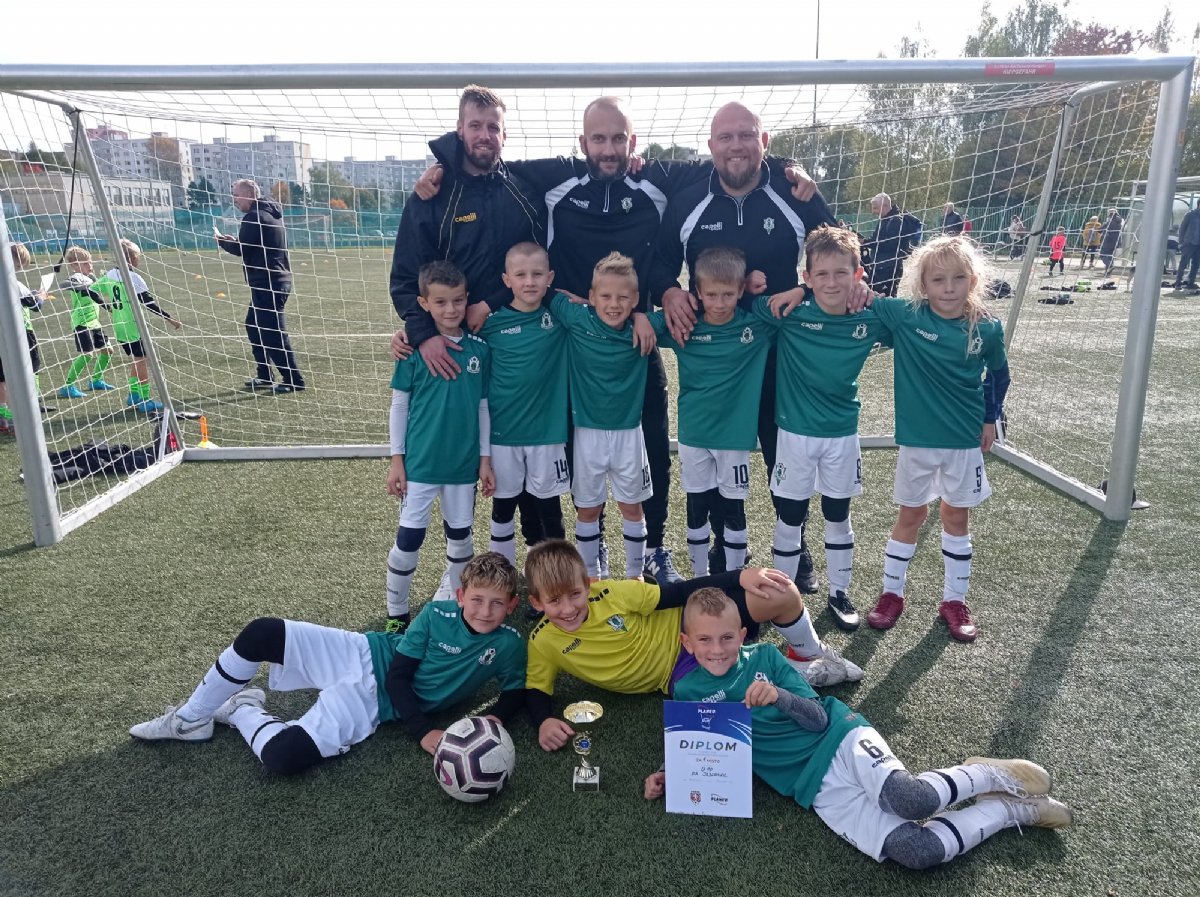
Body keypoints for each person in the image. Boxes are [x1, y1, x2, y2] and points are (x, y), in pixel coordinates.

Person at [412, 95, 819, 585]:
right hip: (573, 346)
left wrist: (786, 165)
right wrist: (441, 165)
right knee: (576, 452)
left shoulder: (659, 180)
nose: (609, 149)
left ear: (633, 142)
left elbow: (731, 156)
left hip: (638, 337)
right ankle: (587, 551)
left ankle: (654, 549)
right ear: (583, 143)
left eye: (618, 139)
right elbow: (488, 159)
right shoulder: (555, 180)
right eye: (599, 139)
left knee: (649, 445)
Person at [644, 588, 1072, 870]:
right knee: (918, 853)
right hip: (812, 788)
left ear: (742, 634)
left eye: (726, 638)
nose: (716, 650)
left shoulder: (767, 661)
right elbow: (697, 741)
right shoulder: (688, 688)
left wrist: (778, 696)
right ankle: (1012, 810)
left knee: (911, 797)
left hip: (838, 740)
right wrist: (671, 771)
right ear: (687, 643)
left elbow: (819, 719)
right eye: (704, 641)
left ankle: (989, 774)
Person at [650, 101, 837, 582]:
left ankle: (795, 548)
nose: (736, 146)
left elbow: (836, 247)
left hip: (779, 348)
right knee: (715, 453)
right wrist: (670, 290)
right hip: (717, 356)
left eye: (746, 135)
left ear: (764, 142)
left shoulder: (794, 194)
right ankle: (719, 549)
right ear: (711, 146)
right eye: (726, 137)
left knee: (783, 449)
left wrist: (803, 286)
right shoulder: (689, 201)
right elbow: (657, 263)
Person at [128, 553, 526, 774]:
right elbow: (399, 675)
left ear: (512, 606)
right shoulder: (436, 615)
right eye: (477, 599)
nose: (485, 611)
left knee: (283, 758)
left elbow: (515, 689)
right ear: (460, 597)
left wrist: (496, 718)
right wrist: (421, 731)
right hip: (367, 653)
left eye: (497, 603)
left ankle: (241, 709)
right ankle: (191, 719)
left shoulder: (509, 645)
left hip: (373, 705)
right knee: (263, 632)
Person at [389, 84, 546, 553]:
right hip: (454, 350)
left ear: (505, 133)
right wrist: (422, 336)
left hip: (516, 344)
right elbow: (405, 277)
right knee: (465, 454)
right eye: (475, 125)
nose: (484, 135)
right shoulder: (432, 195)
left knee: (518, 454)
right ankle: (459, 569)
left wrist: (489, 304)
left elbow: (535, 261)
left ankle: (536, 564)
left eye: (492, 127)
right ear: (460, 129)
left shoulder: (522, 193)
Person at [525, 539, 864, 752]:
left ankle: (807, 657)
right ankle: (788, 672)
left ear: (588, 584)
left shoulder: (613, 594)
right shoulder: (543, 642)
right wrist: (543, 721)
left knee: (781, 590)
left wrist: (738, 577)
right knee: (734, 709)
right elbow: (536, 688)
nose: (568, 608)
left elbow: (677, 593)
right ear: (537, 602)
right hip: (679, 673)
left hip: (694, 631)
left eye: (575, 594)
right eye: (555, 601)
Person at [864, 236, 1011, 642]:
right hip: (919, 442)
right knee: (911, 515)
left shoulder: (987, 327)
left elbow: (999, 376)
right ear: (923, 285)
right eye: (938, 279)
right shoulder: (906, 315)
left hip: (964, 440)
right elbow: (863, 297)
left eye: (958, 278)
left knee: (956, 517)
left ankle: (954, 600)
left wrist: (989, 419)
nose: (949, 287)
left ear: (973, 279)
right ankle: (892, 594)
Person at [758, 226, 891, 633]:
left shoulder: (871, 317)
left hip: (841, 434)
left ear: (858, 273)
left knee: (838, 513)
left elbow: (914, 318)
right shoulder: (790, 312)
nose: (831, 282)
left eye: (841, 273)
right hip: (794, 435)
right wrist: (797, 293)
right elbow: (740, 306)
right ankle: (781, 599)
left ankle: (839, 591)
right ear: (807, 277)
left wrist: (875, 296)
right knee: (790, 514)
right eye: (822, 274)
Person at [649, 247, 779, 576]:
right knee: (697, 506)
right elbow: (639, 323)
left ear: (741, 291)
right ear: (697, 293)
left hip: (734, 438)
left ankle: (734, 579)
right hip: (694, 435)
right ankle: (700, 579)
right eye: (711, 295)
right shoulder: (684, 325)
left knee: (733, 507)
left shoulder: (757, 325)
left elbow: (794, 308)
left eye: (728, 294)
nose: (719, 303)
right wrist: (640, 314)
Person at [385, 261, 494, 631]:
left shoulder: (480, 349)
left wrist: (484, 460)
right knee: (409, 538)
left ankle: (458, 609)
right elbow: (399, 406)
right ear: (424, 303)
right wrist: (396, 461)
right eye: (442, 302)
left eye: (458, 301)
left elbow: (482, 408)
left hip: (462, 466)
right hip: (421, 464)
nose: (451, 310)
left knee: (461, 537)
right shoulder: (413, 350)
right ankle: (396, 614)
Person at [548, 252, 652, 580]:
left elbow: (684, 316)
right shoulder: (578, 318)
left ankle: (635, 577)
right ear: (591, 297)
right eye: (605, 296)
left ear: (635, 299)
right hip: (587, 433)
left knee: (631, 507)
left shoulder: (644, 326)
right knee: (589, 508)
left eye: (623, 297)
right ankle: (591, 577)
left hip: (628, 433)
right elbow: (542, 291)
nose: (613, 304)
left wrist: (643, 317)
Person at [477, 243, 570, 563]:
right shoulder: (490, 323)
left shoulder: (559, 318)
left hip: (547, 433)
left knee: (549, 508)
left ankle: (552, 576)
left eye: (537, 274)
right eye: (520, 275)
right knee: (503, 507)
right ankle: (502, 575)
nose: (529, 282)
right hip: (503, 434)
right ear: (507, 280)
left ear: (550, 277)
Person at [216, 178, 305, 394]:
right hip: (272, 281)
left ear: (247, 195)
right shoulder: (268, 214)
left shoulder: (254, 217)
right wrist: (232, 241)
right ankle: (265, 374)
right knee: (254, 325)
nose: (234, 200)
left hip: (270, 283)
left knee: (273, 332)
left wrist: (222, 241)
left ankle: (293, 379)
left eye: (236, 195)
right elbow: (250, 244)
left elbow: (242, 249)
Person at [93, 239, 182, 413]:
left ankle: (133, 396)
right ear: (131, 258)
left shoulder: (109, 275)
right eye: (138, 256)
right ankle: (144, 399)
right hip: (133, 326)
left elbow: (92, 289)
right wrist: (170, 319)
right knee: (142, 361)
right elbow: (149, 304)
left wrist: (109, 307)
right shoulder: (133, 277)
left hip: (119, 325)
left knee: (136, 359)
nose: (139, 259)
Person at [0, 242, 47, 434]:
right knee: (24, 374)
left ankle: (2, 416)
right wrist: (41, 295)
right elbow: (35, 306)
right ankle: (14, 420)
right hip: (19, 334)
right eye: (18, 265)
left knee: (2, 377)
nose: (18, 269)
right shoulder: (13, 283)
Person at [57, 246, 114, 399]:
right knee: (87, 354)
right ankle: (67, 386)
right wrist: (77, 285)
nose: (90, 266)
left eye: (90, 262)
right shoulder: (76, 277)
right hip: (82, 323)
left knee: (108, 350)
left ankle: (95, 380)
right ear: (75, 265)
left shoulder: (90, 277)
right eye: (86, 263)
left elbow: (99, 287)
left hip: (94, 322)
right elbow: (63, 284)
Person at [863, 193, 922, 297]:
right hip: (880, 267)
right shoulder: (884, 220)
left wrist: (866, 243)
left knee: (885, 298)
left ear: (885, 206)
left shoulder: (895, 221)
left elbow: (890, 244)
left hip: (889, 268)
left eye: (875, 208)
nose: (873, 212)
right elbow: (877, 240)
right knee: (875, 296)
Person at [1173, 204, 1199, 290]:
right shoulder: (1190, 215)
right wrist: (1181, 242)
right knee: (1183, 263)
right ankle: (1178, 283)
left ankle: (1190, 283)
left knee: (1196, 265)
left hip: (1198, 245)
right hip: (1188, 243)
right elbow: (1182, 229)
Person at [1099, 208, 1124, 274]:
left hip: (1108, 241)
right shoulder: (1120, 222)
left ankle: (1110, 266)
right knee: (1110, 256)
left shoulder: (1110, 222)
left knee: (1102, 254)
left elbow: (1100, 230)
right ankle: (1108, 272)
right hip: (1116, 242)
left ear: (1110, 214)